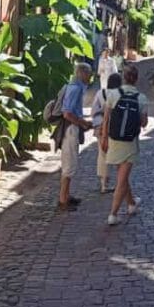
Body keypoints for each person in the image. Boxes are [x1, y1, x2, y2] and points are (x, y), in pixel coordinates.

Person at [101, 64, 149, 226]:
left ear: (123, 77)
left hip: (114, 140)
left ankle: (131, 204)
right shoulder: (141, 98)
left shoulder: (113, 94)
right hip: (130, 143)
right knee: (122, 180)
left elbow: (106, 118)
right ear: (136, 79)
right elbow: (143, 123)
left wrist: (103, 138)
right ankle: (113, 214)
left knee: (122, 176)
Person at [58, 63, 93, 211]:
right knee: (69, 165)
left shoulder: (73, 86)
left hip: (71, 128)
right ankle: (63, 200)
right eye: (89, 74)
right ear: (83, 74)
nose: (90, 77)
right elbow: (67, 113)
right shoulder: (76, 88)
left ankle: (66, 195)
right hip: (70, 129)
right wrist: (83, 123)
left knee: (69, 164)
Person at [91, 72, 122, 193]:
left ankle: (103, 184)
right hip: (115, 127)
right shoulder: (119, 95)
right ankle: (120, 182)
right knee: (118, 155)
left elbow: (93, 111)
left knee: (102, 154)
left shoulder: (100, 93)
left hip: (100, 126)